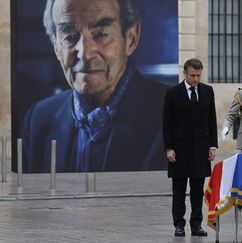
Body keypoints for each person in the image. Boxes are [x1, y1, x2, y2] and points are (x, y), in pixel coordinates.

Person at [22, 0, 169, 172]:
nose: (85, 54)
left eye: (101, 34)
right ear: (56, 46)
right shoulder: (38, 120)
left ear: (131, 38)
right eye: (69, 37)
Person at [162, 58, 218, 237]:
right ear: (185, 73)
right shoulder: (173, 93)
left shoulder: (208, 91)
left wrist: (212, 145)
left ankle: (196, 225)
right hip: (179, 149)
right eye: (192, 75)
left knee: (197, 190)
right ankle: (179, 224)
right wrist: (169, 148)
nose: (195, 79)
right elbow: (166, 123)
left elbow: (212, 119)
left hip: (200, 149)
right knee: (179, 190)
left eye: (198, 76)